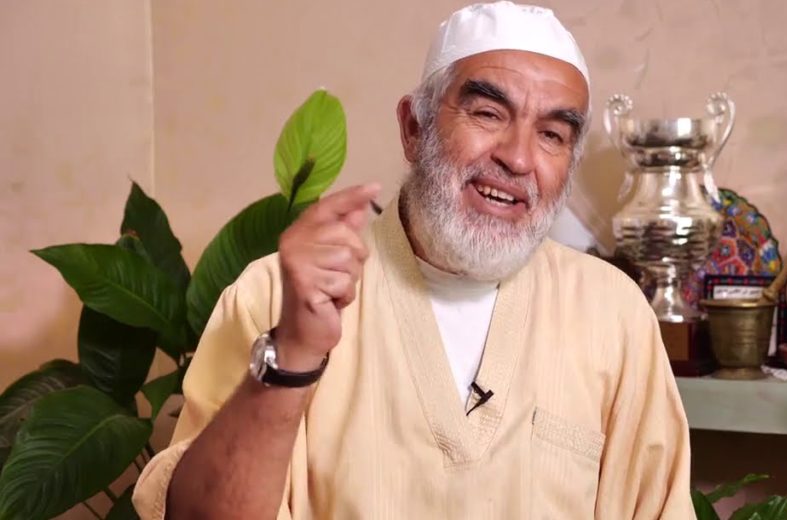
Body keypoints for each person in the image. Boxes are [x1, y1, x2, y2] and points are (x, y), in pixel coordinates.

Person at [133, 2, 694, 518]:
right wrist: (292, 356)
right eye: (488, 114)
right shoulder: (277, 297)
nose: (519, 158)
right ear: (414, 127)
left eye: (551, 135)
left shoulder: (612, 314)